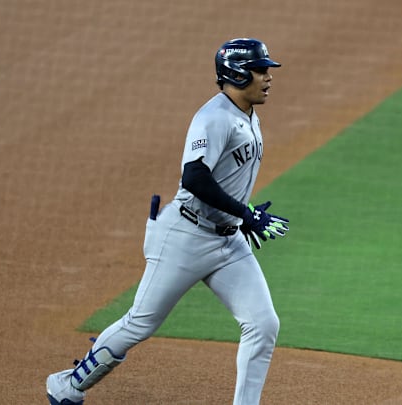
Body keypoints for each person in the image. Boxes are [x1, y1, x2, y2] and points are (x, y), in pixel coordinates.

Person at [46, 37, 290, 405]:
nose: (268, 77)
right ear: (238, 74)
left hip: (227, 241)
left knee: (263, 324)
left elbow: (224, 179)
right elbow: (194, 177)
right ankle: (68, 385)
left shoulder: (248, 116)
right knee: (140, 323)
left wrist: (240, 216)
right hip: (185, 235)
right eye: (260, 70)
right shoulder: (214, 117)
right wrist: (245, 213)